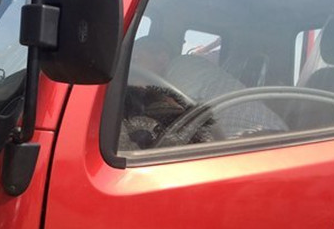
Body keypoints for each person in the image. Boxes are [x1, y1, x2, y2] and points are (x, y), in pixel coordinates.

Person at [122, 36, 287, 149]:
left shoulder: (184, 65)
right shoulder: (170, 77)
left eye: (136, 58)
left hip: (264, 139)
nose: (132, 65)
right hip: (229, 143)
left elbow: (176, 118)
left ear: (162, 58)